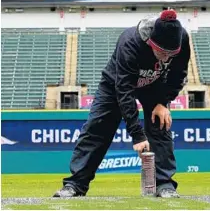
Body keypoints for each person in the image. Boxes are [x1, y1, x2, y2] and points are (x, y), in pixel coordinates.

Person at [53, 10, 190, 198]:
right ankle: (75, 184)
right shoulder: (130, 42)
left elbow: (178, 74)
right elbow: (124, 91)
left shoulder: (182, 39)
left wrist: (162, 102)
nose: (166, 58)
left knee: (161, 125)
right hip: (115, 85)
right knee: (96, 129)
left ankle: (164, 184)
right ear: (151, 42)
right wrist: (137, 135)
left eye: (171, 54)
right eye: (162, 52)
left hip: (155, 87)